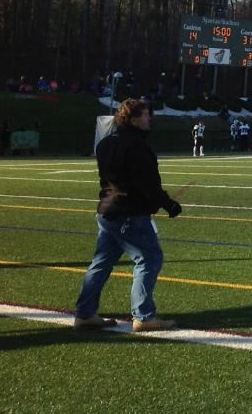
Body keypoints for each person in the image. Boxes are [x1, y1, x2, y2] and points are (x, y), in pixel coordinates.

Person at [74, 98, 181, 333]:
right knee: (149, 258)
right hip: (128, 213)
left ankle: (84, 313)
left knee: (100, 263)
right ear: (133, 119)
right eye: (145, 115)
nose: (149, 118)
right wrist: (168, 204)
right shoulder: (137, 146)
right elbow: (148, 183)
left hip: (107, 209)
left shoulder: (106, 143)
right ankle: (143, 316)